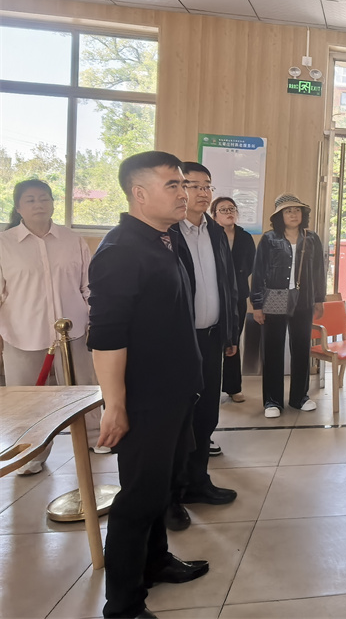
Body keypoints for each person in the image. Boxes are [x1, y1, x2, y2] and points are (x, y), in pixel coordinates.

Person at [88, 151, 210, 619]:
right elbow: (107, 336)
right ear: (139, 194)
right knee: (138, 500)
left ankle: (155, 562)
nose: (184, 193)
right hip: (145, 399)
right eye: (173, 185)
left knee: (161, 489)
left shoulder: (165, 237)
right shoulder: (121, 250)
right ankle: (122, 605)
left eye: (185, 184)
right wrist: (115, 405)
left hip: (175, 392)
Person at [0, 179, 103, 475]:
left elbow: (88, 286)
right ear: (18, 207)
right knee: (27, 397)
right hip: (22, 333)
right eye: (30, 200)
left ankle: (94, 439)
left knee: (81, 388)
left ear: (53, 203)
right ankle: (31, 453)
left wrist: (94, 319)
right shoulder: (4, 244)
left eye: (44, 198)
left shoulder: (73, 240)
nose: (39, 205)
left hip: (73, 333)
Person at [163, 162, 240, 532]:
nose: (202, 192)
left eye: (207, 185)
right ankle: (171, 496)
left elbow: (228, 284)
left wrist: (230, 332)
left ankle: (197, 483)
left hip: (211, 337)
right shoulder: (167, 233)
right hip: (178, 342)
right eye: (193, 185)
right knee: (178, 420)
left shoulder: (215, 231)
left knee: (206, 414)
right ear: (179, 189)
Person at [250, 194, 326, 418]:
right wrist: (257, 305)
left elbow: (319, 271)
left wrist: (319, 299)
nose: (293, 214)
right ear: (279, 216)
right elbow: (259, 272)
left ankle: (299, 397)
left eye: (297, 210)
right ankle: (272, 401)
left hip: (304, 298)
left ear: (303, 214)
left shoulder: (311, 238)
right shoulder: (269, 239)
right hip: (275, 297)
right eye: (288, 211)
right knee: (273, 350)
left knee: (301, 349)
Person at [211, 196, 256, 403]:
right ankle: (210, 388)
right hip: (214, 295)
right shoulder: (210, 235)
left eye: (232, 208)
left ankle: (233, 387)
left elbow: (251, 264)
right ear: (214, 215)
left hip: (238, 295)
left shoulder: (245, 237)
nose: (229, 212)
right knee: (213, 342)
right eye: (223, 209)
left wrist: (237, 279)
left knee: (233, 341)